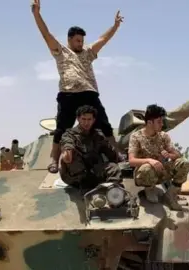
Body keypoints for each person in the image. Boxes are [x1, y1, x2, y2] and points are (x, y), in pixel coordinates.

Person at [31, 0, 124, 174]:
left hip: (89, 93)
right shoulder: (61, 51)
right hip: (68, 94)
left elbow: (103, 39)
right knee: (62, 128)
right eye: (77, 41)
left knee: (104, 124)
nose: (80, 43)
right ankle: (54, 159)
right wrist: (37, 14)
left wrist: (115, 26)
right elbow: (46, 34)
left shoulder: (88, 52)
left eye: (82, 40)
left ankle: (117, 153)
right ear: (69, 40)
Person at [127, 104, 189, 211]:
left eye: (162, 121)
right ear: (149, 122)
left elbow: (177, 155)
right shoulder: (136, 136)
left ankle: (171, 194)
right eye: (159, 122)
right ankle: (149, 189)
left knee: (184, 163)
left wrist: (170, 155)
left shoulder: (163, 136)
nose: (162, 124)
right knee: (147, 167)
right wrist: (149, 160)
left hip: (162, 171)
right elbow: (132, 161)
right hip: (144, 175)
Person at [60, 105, 122, 189]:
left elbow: (111, 154)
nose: (86, 123)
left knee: (113, 167)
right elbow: (68, 146)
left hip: (94, 170)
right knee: (73, 153)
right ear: (78, 119)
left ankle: (115, 192)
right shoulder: (69, 135)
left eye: (89, 119)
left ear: (93, 120)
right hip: (75, 176)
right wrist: (67, 152)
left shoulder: (98, 135)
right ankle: (85, 187)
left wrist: (119, 159)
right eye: (83, 119)